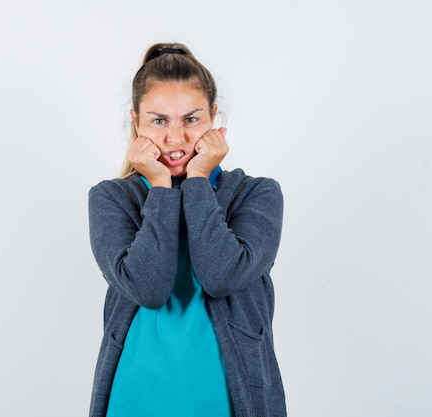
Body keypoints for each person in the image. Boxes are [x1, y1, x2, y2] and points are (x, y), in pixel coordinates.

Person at [87, 42, 287, 417]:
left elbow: (221, 276)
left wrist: (196, 180)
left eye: (191, 120)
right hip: (136, 397)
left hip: (230, 400)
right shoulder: (111, 199)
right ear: (137, 123)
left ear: (213, 118)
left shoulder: (257, 194)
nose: (175, 138)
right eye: (159, 120)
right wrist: (160, 186)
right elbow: (148, 288)